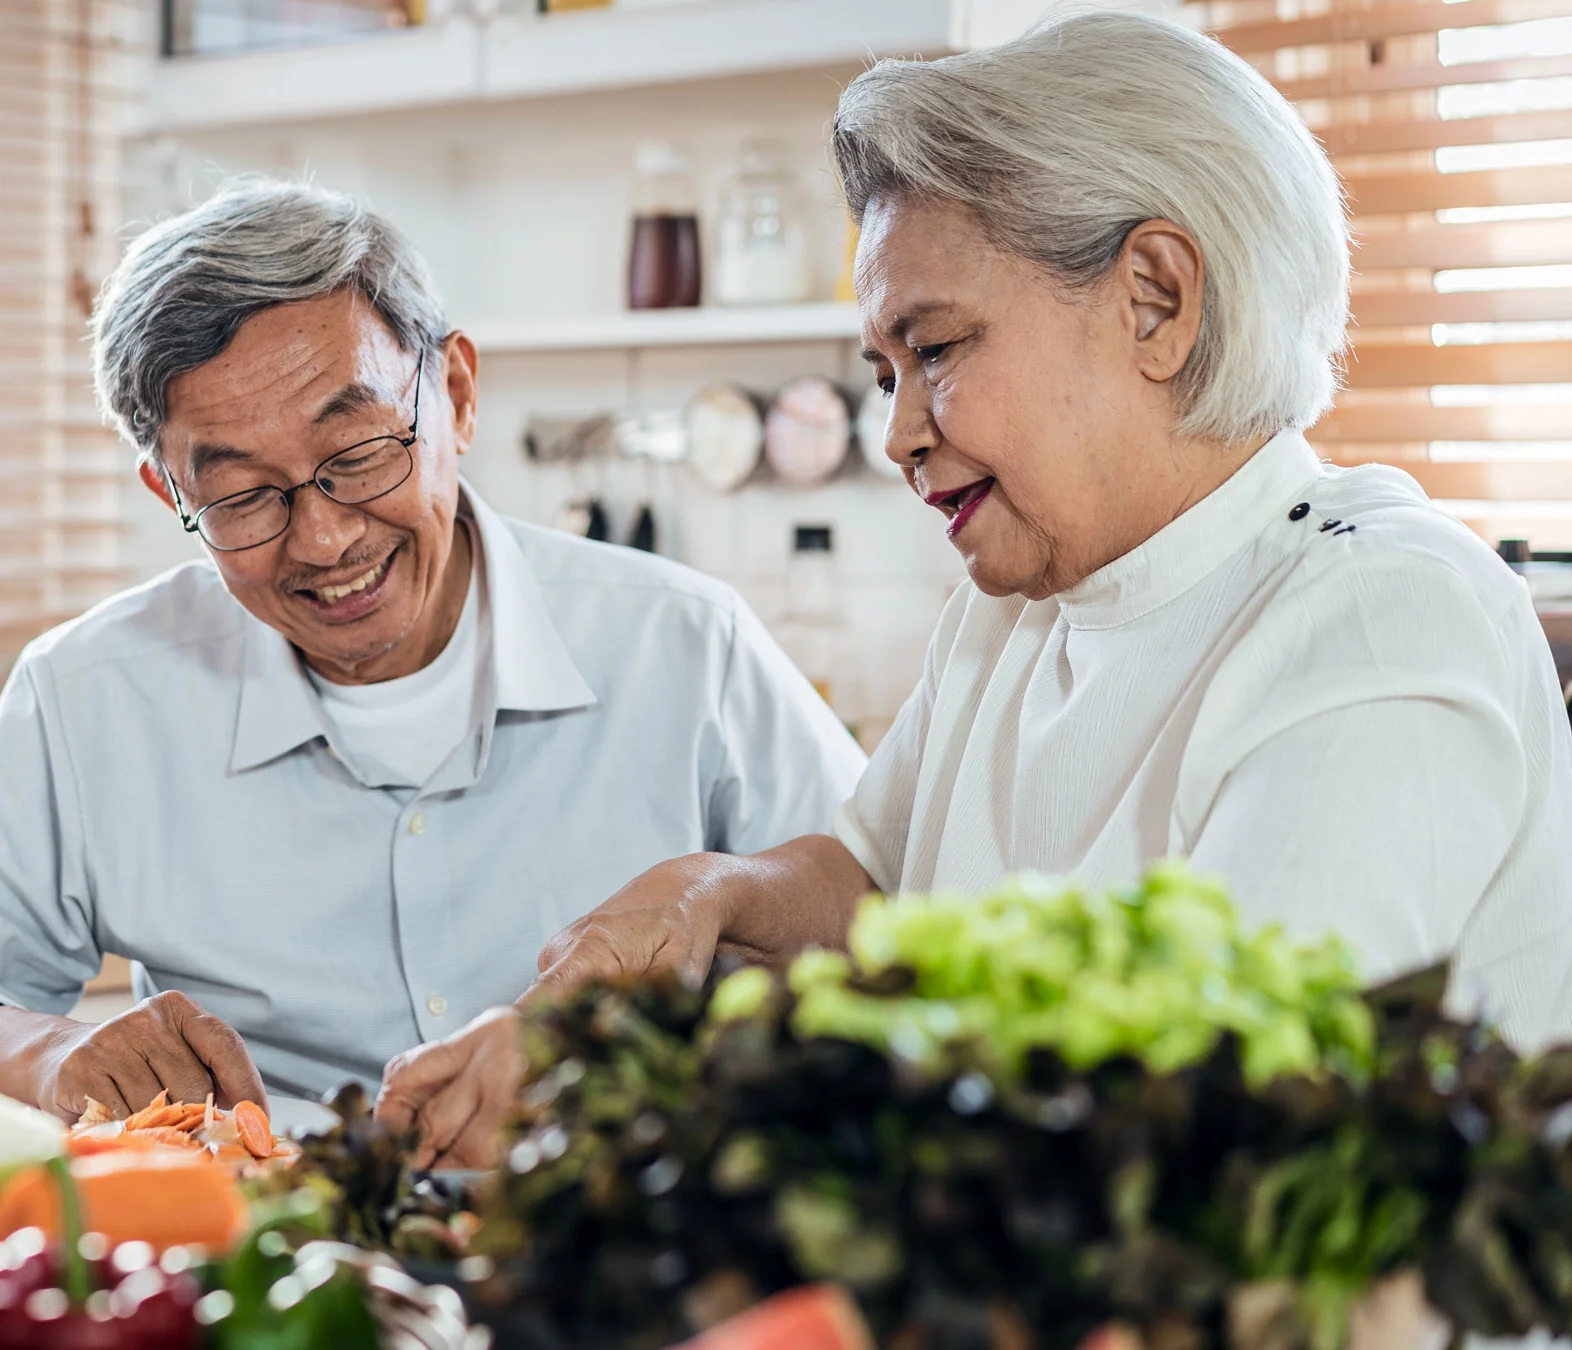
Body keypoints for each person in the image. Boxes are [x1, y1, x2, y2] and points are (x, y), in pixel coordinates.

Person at [379, 10, 1572, 1165]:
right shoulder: (1018, 604)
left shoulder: (1377, 615)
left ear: (1156, 298)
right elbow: (877, 887)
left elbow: (1215, 1128)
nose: (900, 433)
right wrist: (709, 893)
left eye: (937, 350)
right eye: (884, 371)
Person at [0, 180, 865, 1118]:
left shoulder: (683, 643)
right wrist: (52, 1057)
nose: (324, 539)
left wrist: (634, 1043)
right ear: (170, 494)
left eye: (357, 453)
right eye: (240, 496)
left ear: (453, 395)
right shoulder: (96, 696)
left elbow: (888, 921)